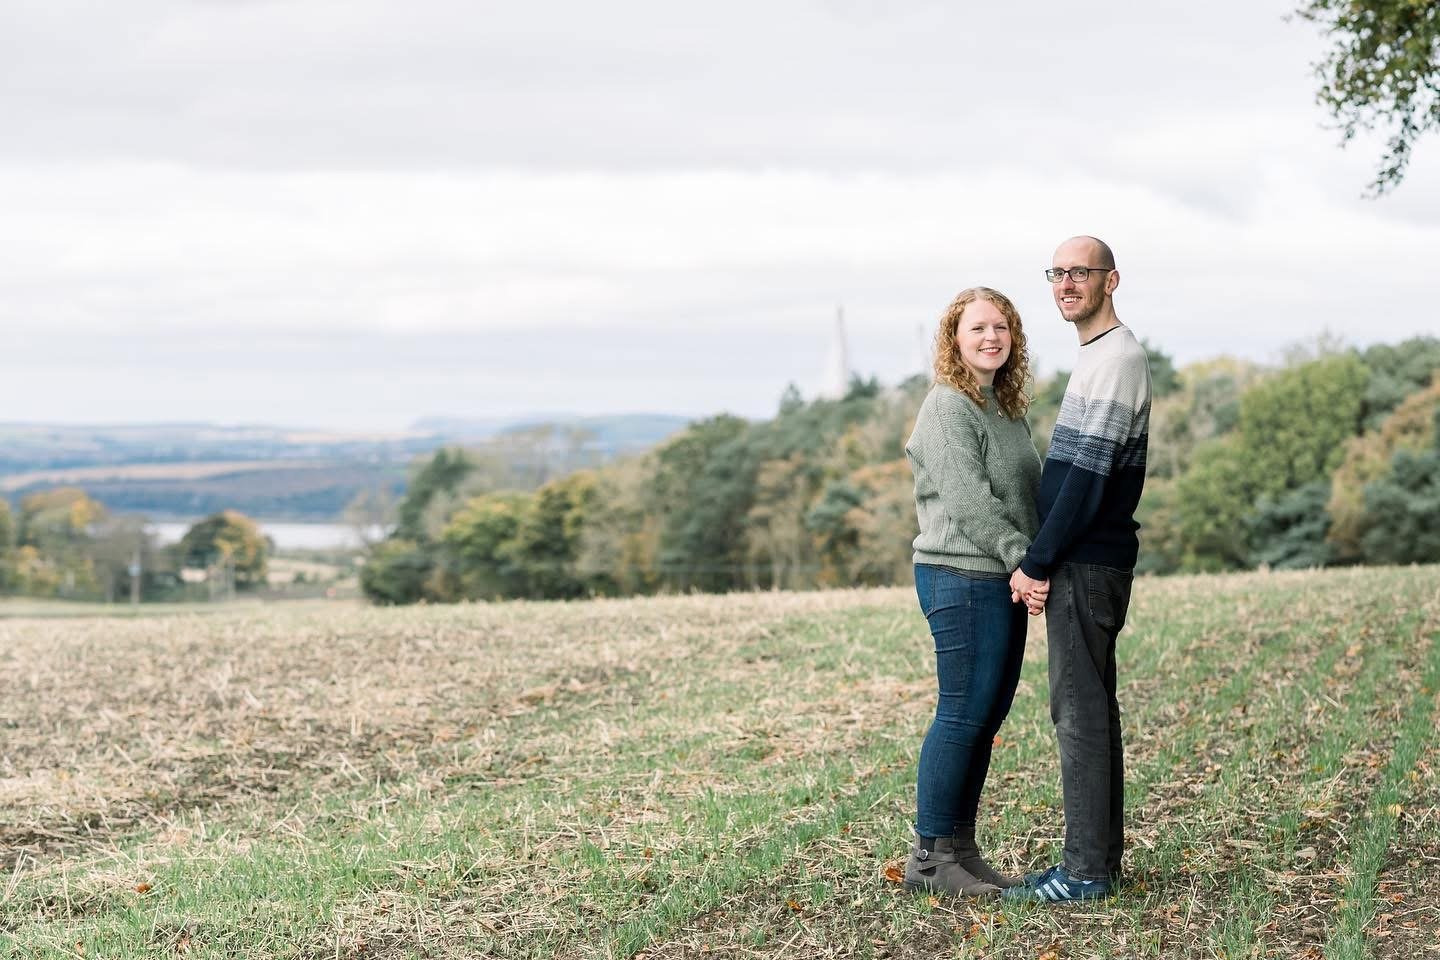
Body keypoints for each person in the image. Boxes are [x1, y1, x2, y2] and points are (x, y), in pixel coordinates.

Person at [1005, 236, 1152, 903]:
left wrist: (1038, 561)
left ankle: (1086, 872)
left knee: (1078, 713)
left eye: (1080, 273)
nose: (1066, 284)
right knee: (1090, 708)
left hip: (1086, 563)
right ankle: (1098, 864)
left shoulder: (1117, 357)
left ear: (1110, 280)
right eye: (1057, 273)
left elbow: (1087, 481)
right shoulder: (1098, 354)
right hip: (1087, 561)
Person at [901, 286, 1047, 898]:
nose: (991, 337)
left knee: (985, 716)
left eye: (1001, 327)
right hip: (960, 576)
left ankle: (960, 852)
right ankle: (930, 858)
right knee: (962, 713)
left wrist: (1042, 557)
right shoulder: (948, 407)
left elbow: (1026, 493)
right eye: (977, 328)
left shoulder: (1001, 407)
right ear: (954, 340)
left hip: (1000, 577)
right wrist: (1021, 559)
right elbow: (967, 501)